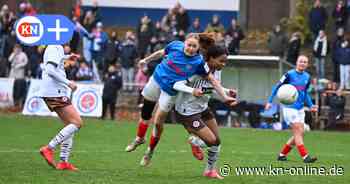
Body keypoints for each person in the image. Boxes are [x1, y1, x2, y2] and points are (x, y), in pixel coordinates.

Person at [124, 34, 235, 165]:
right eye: (189, 45)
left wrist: (225, 94)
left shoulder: (203, 66)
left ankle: (150, 151)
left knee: (158, 123)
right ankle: (140, 138)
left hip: (185, 99)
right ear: (184, 43)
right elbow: (163, 55)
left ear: (198, 48)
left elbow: (212, 84)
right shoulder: (179, 49)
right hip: (172, 94)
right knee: (146, 113)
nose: (190, 49)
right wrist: (146, 60)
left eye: (194, 46)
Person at [173, 45, 235, 179]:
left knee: (217, 141)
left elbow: (210, 89)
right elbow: (176, 85)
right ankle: (194, 141)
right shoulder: (196, 70)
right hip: (187, 111)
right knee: (212, 141)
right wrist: (192, 91)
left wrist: (226, 91)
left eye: (225, 61)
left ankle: (210, 171)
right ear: (211, 58)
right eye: (221, 61)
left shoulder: (216, 70)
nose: (223, 64)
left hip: (203, 107)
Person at [265, 55, 318, 163]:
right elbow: (277, 87)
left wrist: (311, 105)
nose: (302, 63)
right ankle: (305, 157)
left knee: (300, 133)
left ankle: (282, 155)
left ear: (307, 64)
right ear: (297, 62)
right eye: (301, 61)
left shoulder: (307, 77)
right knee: (298, 131)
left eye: (305, 62)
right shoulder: (289, 75)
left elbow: (305, 93)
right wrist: (270, 101)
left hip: (300, 108)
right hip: (289, 108)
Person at [38, 45, 82, 171]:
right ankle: (49, 148)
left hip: (54, 91)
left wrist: (67, 57)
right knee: (77, 123)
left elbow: (54, 62)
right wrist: (68, 82)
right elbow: (50, 70)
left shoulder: (57, 48)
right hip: (54, 91)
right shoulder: (54, 47)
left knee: (70, 125)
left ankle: (63, 162)